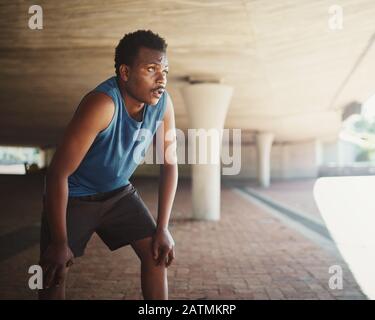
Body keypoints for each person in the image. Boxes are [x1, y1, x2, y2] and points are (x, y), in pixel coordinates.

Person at [39, 30, 178, 300]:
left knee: (157, 252)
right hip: (75, 196)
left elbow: (169, 164)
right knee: (55, 272)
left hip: (118, 193)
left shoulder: (163, 104)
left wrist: (162, 228)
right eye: (151, 69)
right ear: (125, 72)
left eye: (165, 71)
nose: (161, 79)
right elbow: (57, 174)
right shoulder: (102, 104)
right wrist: (59, 242)